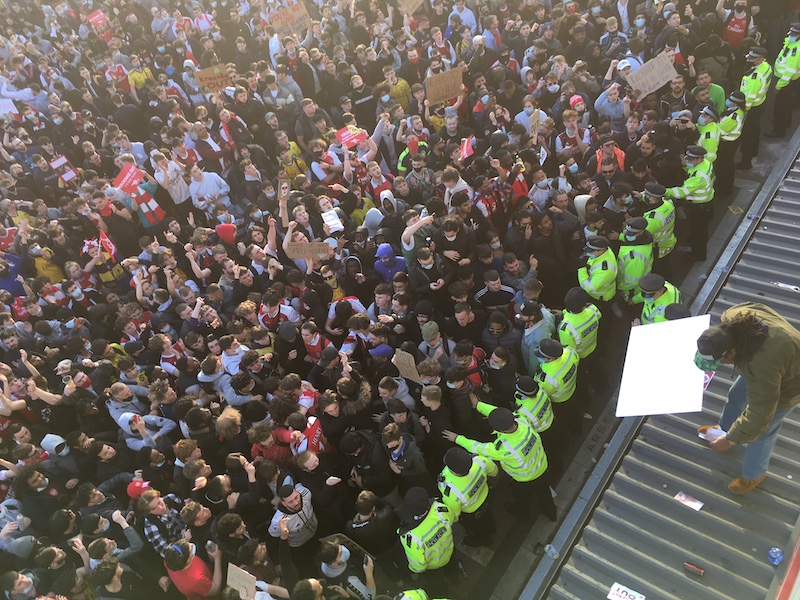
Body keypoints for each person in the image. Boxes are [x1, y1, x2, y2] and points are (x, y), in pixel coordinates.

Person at [695, 303, 800, 494]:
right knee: (736, 394)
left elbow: (760, 413)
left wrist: (731, 440)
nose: (723, 365)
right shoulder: (732, 317)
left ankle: (754, 474)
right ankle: (724, 429)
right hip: (758, 359)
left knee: (764, 430)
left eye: (722, 361)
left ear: (732, 352)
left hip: (791, 381)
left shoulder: (763, 366)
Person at [444, 406, 556, 521]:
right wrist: (479, 405)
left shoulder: (504, 449)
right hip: (542, 466)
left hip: (524, 479)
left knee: (522, 497)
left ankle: (523, 513)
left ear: (499, 430)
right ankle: (551, 513)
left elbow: (478, 448)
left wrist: (457, 438)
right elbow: (500, 414)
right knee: (544, 492)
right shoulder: (521, 420)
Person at [398, 487, 457, 597]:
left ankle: (444, 594)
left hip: (434, 567)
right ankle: (455, 580)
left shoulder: (411, 536)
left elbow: (418, 567)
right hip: (450, 550)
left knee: (438, 586)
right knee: (452, 569)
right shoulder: (440, 509)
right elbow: (453, 518)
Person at [437, 446, 497, 547]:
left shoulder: (451, 490)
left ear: (455, 472)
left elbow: (455, 515)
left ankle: (486, 541)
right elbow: (494, 471)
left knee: (478, 529)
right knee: (488, 515)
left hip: (473, 514)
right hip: (487, 496)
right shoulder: (479, 461)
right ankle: (492, 527)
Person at [664, 146, 714, 262]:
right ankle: (694, 242)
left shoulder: (699, 177)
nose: (688, 161)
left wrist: (665, 191)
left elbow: (682, 192)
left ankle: (699, 255)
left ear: (699, 159)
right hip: (706, 202)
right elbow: (691, 170)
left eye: (690, 160)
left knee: (700, 231)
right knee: (698, 229)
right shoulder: (706, 163)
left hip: (700, 207)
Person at [736, 47, 773, 171]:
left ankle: (746, 161)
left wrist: (742, 111)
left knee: (748, 135)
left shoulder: (754, 78)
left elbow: (749, 98)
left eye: (753, 59)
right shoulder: (766, 66)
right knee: (755, 129)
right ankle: (754, 151)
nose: (750, 60)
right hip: (760, 103)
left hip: (751, 108)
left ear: (760, 59)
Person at [767, 24, 800, 139]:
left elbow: (789, 72)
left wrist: (778, 86)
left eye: (794, 34)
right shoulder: (791, 43)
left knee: (780, 109)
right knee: (786, 105)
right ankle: (786, 123)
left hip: (785, 82)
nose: (791, 35)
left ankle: (778, 131)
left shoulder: (797, 50)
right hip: (787, 81)